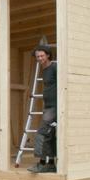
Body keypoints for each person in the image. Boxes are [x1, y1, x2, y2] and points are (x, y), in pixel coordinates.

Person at [28, 45, 57, 173]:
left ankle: (41, 163)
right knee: (49, 135)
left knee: (41, 133)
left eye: (42, 56)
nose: (40, 58)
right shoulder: (44, 70)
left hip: (55, 107)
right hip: (48, 106)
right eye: (38, 56)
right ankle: (50, 164)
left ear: (48, 55)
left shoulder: (54, 67)